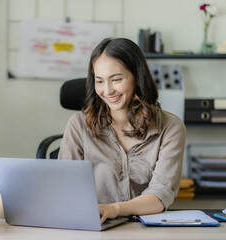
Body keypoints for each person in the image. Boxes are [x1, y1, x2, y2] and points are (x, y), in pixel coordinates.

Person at [58, 38, 186, 223]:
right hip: (94, 226)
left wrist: (114, 209)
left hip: (144, 230)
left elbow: (160, 194)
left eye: (116, 80)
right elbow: (64, 187)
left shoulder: (170, 127)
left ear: (137, 77)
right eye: (99, 81)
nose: (107, 90)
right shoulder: (78, 125)